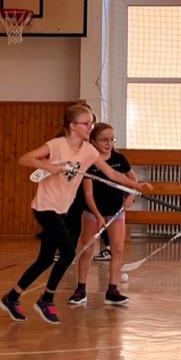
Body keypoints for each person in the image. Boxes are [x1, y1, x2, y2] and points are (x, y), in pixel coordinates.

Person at [0, 105, 149, 324]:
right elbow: (25, 159)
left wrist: (135, 185)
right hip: (45, 207)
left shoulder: (89, 151)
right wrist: (47, 165)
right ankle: (47, 299)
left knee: (45, 259)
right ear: (72, 126)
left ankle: (12, 298)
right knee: (68, 253)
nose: (90, 127)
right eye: (86, 124)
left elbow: (112, 173)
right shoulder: (56, 145)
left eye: (91, 124)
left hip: (62, 210)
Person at [69, 122, 135, 307]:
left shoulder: (120, 159)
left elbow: (132, 180)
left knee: (118, 249)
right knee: (88, 249)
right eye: (104, 140)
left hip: (116, 211)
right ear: (93, 141)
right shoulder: (89, 161)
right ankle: (81, 289)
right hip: (93, 212)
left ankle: (112, 291)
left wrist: (130, 197)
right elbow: (88, 194)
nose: (109, 143)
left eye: (112, 139)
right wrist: (98, 216)